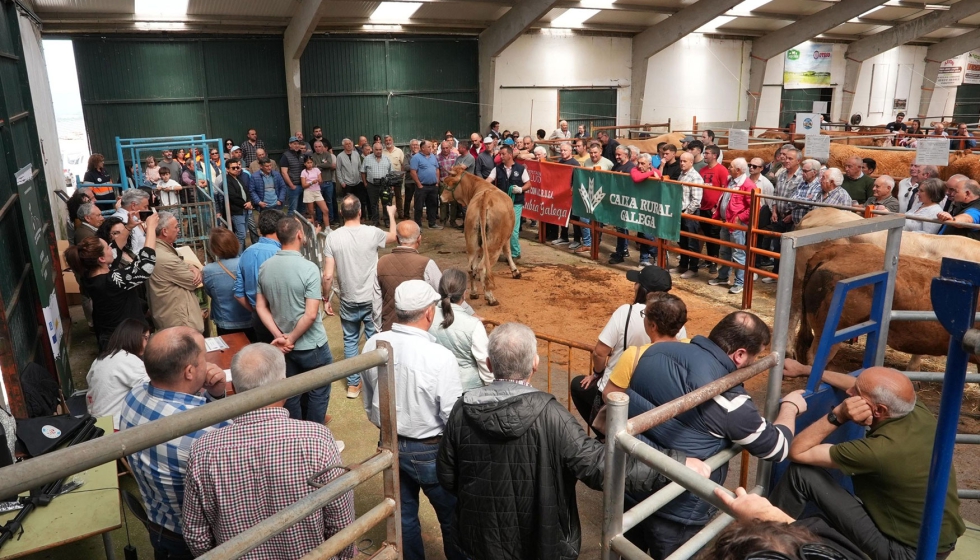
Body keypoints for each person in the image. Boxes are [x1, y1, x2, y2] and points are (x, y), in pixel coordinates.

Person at [438, 321, 708, 560]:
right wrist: (675, 463)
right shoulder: (551, 415)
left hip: (476, 540)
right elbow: (600, 467)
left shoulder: (462, 410)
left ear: (488, 364)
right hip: (542, 541)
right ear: (535, 363)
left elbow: (447, 477)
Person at [618, 311, 807, 559]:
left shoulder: (654, 351)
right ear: (739, 354)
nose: (754, 364)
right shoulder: (728, 399)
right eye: (755, 358)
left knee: (627, 549)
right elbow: (777, 448)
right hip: (678, 506)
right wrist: (790, 407)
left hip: (633, 482)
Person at [775, 361, 966, 560]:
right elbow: (860, 385)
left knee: (802, 474)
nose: (848, 391)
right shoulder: (915, 409)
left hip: (906, 553)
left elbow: (796, 451)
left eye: (855, 393)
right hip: (935, 541)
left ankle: (763, 537)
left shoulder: (880, 450)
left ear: (879, 410)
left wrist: (838, 415)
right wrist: (805, 369)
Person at [182, 343, 354, 558]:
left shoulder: (203, 450)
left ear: (233, 387)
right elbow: (341, 522)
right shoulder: (317, 439)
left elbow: (196, 535)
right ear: (284, 386)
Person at [360, 280, 465, 560]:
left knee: (402, 515)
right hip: (430, 449)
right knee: (453, 516)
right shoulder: (440, 357)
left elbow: (369, 397)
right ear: (430, 312)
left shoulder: (373, 343)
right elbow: (452, 416)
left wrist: (384, 426)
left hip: (389, 442)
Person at [119, 327, 229, 559]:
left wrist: (214, 396)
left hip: (158, 524)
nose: (207, 364)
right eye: (203, 358)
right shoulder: (208, 431)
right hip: (197, 540)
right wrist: (218, 400)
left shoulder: (133, 395)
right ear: (189, 371)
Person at [569, 266, 686, 428]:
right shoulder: (675, 319)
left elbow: (599, 352)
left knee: (578, 386)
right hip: (652, 398)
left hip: (616, 393)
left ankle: (604, 439)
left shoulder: (626, 312)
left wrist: (598, 373)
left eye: (637, 283)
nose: (634, 285)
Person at [255, 215, 333, 424]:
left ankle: (294, 434)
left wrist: (278, 335)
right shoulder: (309, 268)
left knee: (291, 394)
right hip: (310, 344)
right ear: (300, 234)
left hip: (283, 345)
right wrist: (291, 338)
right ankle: (315, 435)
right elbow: (310, 314)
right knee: (318, 391)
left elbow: (260, 306)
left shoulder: (265, 267)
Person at [323, 195, 397, 398]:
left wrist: (324, 298)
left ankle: (353, 385)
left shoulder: (333, 237)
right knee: (375, 339)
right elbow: (394, 236)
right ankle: (377, 383)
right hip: (372, 298)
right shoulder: (372, 233)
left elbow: (328, 275)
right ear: (360, 211)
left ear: (340, 213)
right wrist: (390, 214)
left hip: (348, 298)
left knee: (350, 340)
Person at [64, 213, 158, 350]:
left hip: (109, 337)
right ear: (101, 259)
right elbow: (145, 266)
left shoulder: (89, 275)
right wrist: (150, 229)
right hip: (126, 342)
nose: (111, 247)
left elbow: (115, 248)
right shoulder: (112, 281)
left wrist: (128, 227)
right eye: (107, 247)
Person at [601, 292, 687, 397]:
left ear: (653, 326)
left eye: (644, 315)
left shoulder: (633, 355)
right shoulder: (690, 347)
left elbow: (608, 395)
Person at [373, 220, 442, 332]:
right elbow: (442, 294)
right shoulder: (427, 264)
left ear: (396, 238)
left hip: (389, 330)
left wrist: (379, 331)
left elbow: (376, 304)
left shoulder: (381, 263)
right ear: (419, 239)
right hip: (420, 331)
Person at [429, 268, 490, 390]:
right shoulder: (474, 325)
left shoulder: (427, 318)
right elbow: (485, 363)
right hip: (468, 390)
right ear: (464, 294)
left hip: (435, 384)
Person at [85, 318, 150, 429]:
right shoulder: (128, 360)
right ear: (134, 337)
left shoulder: (101, 358)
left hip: (95, 423)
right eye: (146, 338)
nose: (148, 343)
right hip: (115, 426)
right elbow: (151, 388)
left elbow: (88, 380)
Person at [148, 212, 205, 333]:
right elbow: (193, 281)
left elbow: (182, 262)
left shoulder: (160, 250)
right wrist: (196, 269)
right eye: (176, 227)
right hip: (180, 323)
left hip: (174, 319)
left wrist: (192, 267)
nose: (179, 230)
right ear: (164, 231)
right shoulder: (165, 258)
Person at [234, 209, 284, 342]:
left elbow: (238, 294)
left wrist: (257, 311)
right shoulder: (281, 253)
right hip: (281, 317)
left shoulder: (246, 253)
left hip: (258, 317)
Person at [709, 157, 755, 294]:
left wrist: (740, 218)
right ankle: (723, 276)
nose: (728, 168)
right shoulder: (731, 181)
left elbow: (754, 206)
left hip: (736, 225)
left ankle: (740, 282)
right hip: (726, 221)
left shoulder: (748, 185)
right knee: (725, 251)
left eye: (731, 167)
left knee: (738, 253)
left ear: (738, 170)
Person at [202, 227, 253, 339]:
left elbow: (209, 292)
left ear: (214, 249)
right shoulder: (248, 263)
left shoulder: (208, 270)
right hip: (251, 318)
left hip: (226, 322)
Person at [485, 145, 530, 260]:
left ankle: (515, 253)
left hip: (516, 204)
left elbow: (528, 184)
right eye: (500, 154)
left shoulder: (521, 169)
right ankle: (501, 251)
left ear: (510, 155)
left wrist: (520, 189)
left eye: (503, 154)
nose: (500, 156)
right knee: (499, 229)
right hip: (501, 205)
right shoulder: (497, 169)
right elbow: (488, 181)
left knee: (513, 230)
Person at [670, 152, 705, 278]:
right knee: (682, 241)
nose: (682, 163)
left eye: (685, 161)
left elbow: (696, 200)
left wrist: (686, 213)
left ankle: (693, 268)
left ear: (691, 162)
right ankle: (683, 265)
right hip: (681, 212)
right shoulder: (682, 175)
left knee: (692, 242)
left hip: (689, 214)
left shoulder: (695, 177)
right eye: (681, 161)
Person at [410, 140, 442, 230]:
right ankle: (418, 225)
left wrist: (437, 181)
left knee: (432, 205)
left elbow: (437, 169)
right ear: (422, 148)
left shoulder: (433, 157)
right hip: (422, 186)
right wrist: (419, 184)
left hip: (433, 186)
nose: (430, 148)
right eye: (428, 147)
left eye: (431, 147)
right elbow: (413, 172)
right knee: (419, 206)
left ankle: (432, 223)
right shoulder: (416, 158)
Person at [361, 142, 394, 226]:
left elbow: (391, 172)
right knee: (373, 204)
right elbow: (363, 172)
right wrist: (365, 183)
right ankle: (375, 221)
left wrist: (391, 185)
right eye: (376, 149)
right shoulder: (367, 159)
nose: (378, 151)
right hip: (372, 185)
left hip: (385, 185)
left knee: (386, 203)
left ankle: (387, 221)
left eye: (380, 149)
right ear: (373, 149)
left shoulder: (387, 159)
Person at [223, 157, 251, 252]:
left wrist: (250, 202)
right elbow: (233, 196)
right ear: (227, 169)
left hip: (245, 210)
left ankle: (241, 254)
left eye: (237, 167)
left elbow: (247, 191)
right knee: (241, 235)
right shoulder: (227, 181)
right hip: (237, 211)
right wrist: (245, 204)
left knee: (242, 235)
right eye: (233, 168)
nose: (236, 169)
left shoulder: (239, 178)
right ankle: (238, 256)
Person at [312, 139, 338, 224]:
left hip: (328, 182)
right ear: (314, 148)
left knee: (329, 201)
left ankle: (331, 219)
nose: (318, 148)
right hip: (318, 183)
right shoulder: (313, 156)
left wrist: (318, 165)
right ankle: (319, 220)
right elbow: (313, 167)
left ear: (323, 147)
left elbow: (329, 164)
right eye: (316, 147)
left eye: (319, 146)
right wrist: (323, 166)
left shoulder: (327, 154)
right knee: (319, 203)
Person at [336, 138, 365, 212]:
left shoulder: (356, 154)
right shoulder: (340, 156)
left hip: (357, 182)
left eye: (350, 143)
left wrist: (361, 179)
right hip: (347, 184)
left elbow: (359, 167)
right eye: (346, 144)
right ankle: (347, 216)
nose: (349, 145)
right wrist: (342, 182)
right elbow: (338, 170)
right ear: (343, 146)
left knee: (358, 200)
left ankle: (359, 216)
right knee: (348, 202)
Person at [301, 154, 329, 226]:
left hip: (317, 191)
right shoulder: (303, 172)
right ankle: (313, 228)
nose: (310, 164)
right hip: (308, 192)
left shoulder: (316, 170)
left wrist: (320, 181)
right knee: (311, 212)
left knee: (325, 210)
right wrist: (311, 183)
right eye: (308, 163)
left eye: (311, 162)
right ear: (305, 164)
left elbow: (321, 181)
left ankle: (327, 228)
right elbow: (303, 185)